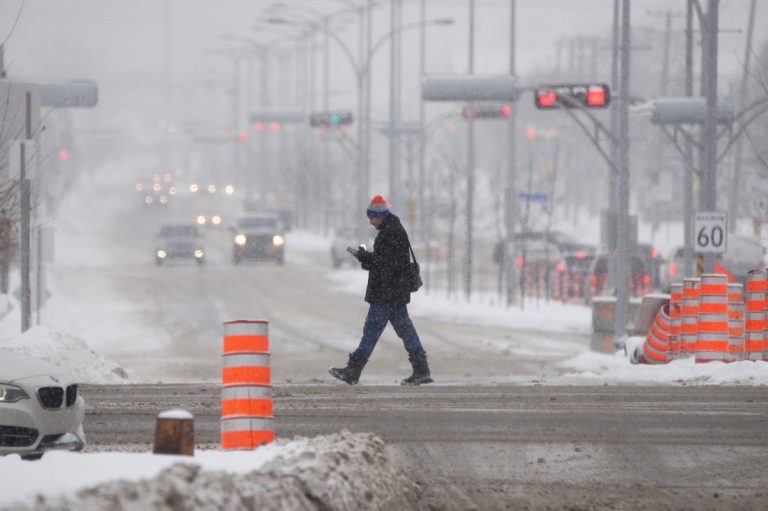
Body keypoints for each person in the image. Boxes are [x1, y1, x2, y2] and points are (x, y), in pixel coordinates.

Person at [329, 195, 433, 386]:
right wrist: (367, 258)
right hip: (395, 291)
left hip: (386, 292)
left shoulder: (390, 233)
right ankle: (421, 369)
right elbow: (387, 261)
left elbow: (385, 263)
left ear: (379, 215)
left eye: (371, 217)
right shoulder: (393, 230)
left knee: (372, 330)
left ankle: (354, 370)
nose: (370, 221)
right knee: (405, 329)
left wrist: (364, 257)